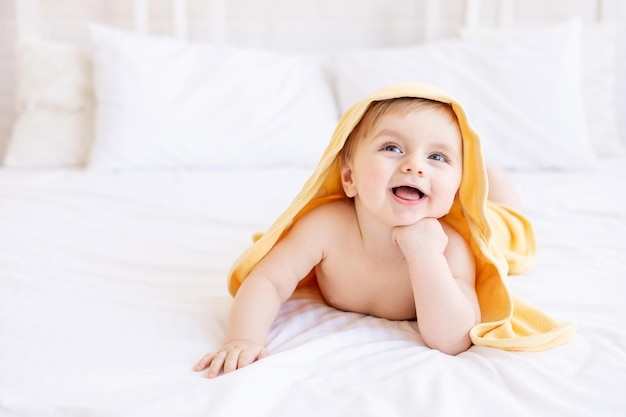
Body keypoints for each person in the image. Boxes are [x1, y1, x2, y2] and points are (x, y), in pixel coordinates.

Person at [195, 83, 575, 378]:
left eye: (437, 157)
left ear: (459, 188)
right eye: (392, 147)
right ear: (349, 177)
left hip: (491, 230)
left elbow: (454, 338)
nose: (415, 166)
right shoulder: (326, 228)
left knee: (511, 232)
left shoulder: (452, 247)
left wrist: (425, 255)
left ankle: (497, 186)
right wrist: (243, 339)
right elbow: (268, 281)